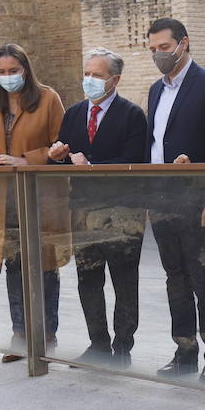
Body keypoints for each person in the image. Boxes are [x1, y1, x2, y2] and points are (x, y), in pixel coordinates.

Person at [0, 44, 69, 363]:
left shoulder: (48, 98)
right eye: (2, 72)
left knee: (45, 265)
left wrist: (26, 160)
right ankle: (20, 335)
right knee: (14, 262)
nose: (8, 77)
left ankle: (47, 335)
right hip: (5, 196)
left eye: (14, 70)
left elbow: (62, 144)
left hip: (41, 195)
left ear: (26, 69)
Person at [48, 48, 148, 367]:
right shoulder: (75, 114)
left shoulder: (132, 115)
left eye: (97, 75)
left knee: (123, 280)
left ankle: (122, 348)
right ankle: (98, 343)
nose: (89, 80)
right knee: (88, 278)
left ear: (114, 80)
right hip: (83, 212)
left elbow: (135, 159)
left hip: (122, 212)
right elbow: (66, 159)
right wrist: (58, 155)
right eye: (87, 73)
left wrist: (92, 164)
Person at [145, 18, 205, 382]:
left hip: (196, 199)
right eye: (152, 50)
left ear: (184, 44)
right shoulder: (154, 90)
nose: (158, 55)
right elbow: (154, 145)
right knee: (174, 278)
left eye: (164, 48)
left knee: (203, 277)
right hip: (162, 198)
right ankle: (184, 352)